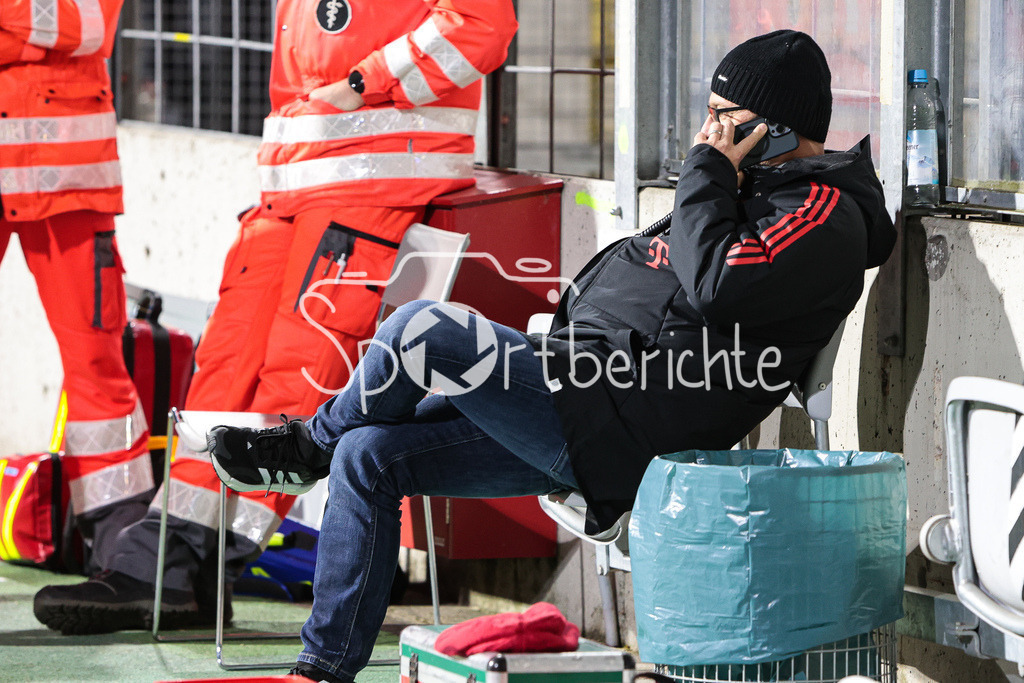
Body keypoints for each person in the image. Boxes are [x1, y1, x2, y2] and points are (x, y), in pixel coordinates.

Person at [201, 29, 898, 683]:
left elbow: (719, 286)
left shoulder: (822, 213)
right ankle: (322, 667)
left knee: (424, 331)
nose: (707, 131)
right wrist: (713, 176)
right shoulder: (740, 190)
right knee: (371, 456)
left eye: (724, 116)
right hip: (583, 393)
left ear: (772, 127)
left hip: (628, 423)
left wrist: (708, 170)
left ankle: (309, 446)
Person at [33, 0, 518, 634]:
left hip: (374, 181)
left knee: (296, 377)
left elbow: (481, 26)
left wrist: (360, 83)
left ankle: (205, 563)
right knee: (224, 367)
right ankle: (163, 566)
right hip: (290, 188)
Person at [1, 0, 156, 571]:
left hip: (68, 182)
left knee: (96, 368)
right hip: (68, 174)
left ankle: (121, 551)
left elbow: (90, 24)